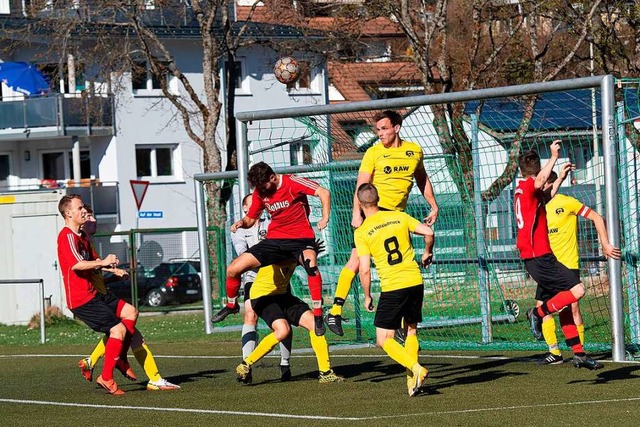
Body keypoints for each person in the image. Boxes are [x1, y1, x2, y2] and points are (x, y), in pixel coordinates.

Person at [325, 110, 438, 336]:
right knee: (357, 260)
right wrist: (357, 213)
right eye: (377, 130)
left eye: (384, 128)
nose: (380, 134)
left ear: (396, 128)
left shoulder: (414, 151)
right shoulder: (373, 153)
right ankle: (335, 310)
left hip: (398, 216)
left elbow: (422, 178)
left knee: (400, 266)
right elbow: (362, 183)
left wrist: (434, 205)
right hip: (376, 213)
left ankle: (398, 327)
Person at [211, 162, 331, 336]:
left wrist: (325, 217)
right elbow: (251, 218)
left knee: (311, 266)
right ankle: (231, 305)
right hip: (275, 240)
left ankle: (318, 315)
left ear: (272, 177)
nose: (261, 191)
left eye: (264, 185)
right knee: (233, 269)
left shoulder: (292, 182)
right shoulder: (261, 191)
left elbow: (323, 192)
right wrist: (241, 223)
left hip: (301, 239)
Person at [515, 140, 602, 370]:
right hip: (540, 256)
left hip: (539, 257)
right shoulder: (530, 186)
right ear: (536, 173)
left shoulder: (525, 191)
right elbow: (542, 181)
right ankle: (537, 313)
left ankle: (579, 354)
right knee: (578, 291)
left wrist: (560, 177)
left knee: (565, 304)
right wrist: (553, 156)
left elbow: (547, 192)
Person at [77, 205, 181, 390]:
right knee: (128, 334)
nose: (93, 220)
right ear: (81, 220)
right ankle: (140, 373)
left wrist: (113, 270)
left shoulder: (87, 242)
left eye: (93, 216)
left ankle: (97, 361)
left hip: (103, 295)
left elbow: (97, 267)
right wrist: (106, 266)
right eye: (89, 217)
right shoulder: (79, 241)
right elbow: (85, 267)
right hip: (96, 298)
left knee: (128, 327)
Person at [354, 183, 434, 397]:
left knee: (383, 340)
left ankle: (416, 369)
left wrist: (367, 295)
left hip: (393, 286)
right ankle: (412, 383)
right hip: (415, 281)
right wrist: (427, 252)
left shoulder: (362, 232)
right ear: (378, 199)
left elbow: (364, 270)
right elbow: (428, 231)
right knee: (411, 330)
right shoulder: (400, 216)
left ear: (360, 205)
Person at [535, 171, 621, 365]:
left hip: (568, 264)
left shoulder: (567, 202)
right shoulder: (539, 207)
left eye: (542, 183)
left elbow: (597, 218)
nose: (539, 187)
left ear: (550, 183)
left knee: (572, 307)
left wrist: (605, 244)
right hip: (548, 266)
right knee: (542, 306)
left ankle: (579, 353)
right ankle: (554, 352)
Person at [57, 194, 137, 395]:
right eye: (79, 208)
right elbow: (77, 264)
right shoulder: (66, 236)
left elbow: (95, 261)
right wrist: (103, 263)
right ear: (68, 213)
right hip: (82, 300)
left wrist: (111, 268)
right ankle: (107, 377)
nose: (84, 211)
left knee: (131, 312)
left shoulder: (82, 237)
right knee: (118, 331)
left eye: (83, 207)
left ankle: (119, 358)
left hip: (95, 293)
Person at [235, 259, 343, 384]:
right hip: (262, 297)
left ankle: (325, 372)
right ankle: (245, 364)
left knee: (315, 324)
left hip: (283, 295)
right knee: (283, 330)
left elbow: (305, 264)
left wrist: (308, 256)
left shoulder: (298, 250)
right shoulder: (277, 247)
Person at [231, 193, 293, 381]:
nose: (257, 208)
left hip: (277, 277)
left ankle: (285, 363)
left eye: (259, 205)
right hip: (253, 278)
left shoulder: (271, 223)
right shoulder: (238, 229)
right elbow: (244, 255)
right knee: (250, 313)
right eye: (252, 205)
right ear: (244, 209)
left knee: (283, 319)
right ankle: (246, 365)